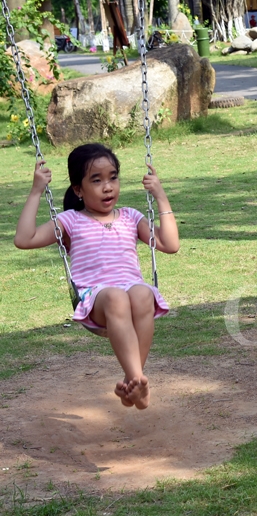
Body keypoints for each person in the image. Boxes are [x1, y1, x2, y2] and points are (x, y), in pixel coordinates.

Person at [14, 143, 180, 409]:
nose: (108, 186)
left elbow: (170, 244)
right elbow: (24, 239)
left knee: (143, 292)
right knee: (116, 296)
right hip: (96, 300)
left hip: (131, 293)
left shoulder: (130, 217)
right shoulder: (69, 221)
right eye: (96, 180)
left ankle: (133, 384)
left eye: (113, 177)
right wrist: (36, 191)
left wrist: (160, 196)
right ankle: (137, 379)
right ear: (78, 189)